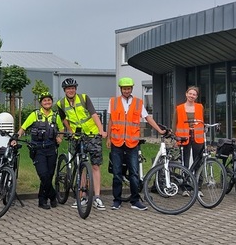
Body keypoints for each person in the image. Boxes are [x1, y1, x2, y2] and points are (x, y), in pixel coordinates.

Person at [108, 77, 166, 211]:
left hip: (132, 143)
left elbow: (147, 118)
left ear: (131, 89)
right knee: (117, 173)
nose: (126, 91)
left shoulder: (138, 103)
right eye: (124, 89)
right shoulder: (113, 101)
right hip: (116, 142)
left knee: (134, 173)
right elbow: (111, 120)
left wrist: (159, 130)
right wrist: (108, 137)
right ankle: (116, 200)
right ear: (121, 89)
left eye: (128, 88)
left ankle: (135, 200)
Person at [55, 78, 107, 210]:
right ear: (65, 91)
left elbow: (94, 115)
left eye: (73, 88)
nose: (70, 90)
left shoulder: (84, 98)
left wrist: (101, 130)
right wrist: (70, 131)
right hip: (76, 137)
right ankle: (82, 196)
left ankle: (97, 197)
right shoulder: (61, 103)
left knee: (95, 166)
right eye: (68, 89)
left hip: (92, 134)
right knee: (79, 165)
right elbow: (63, 119)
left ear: (76, 89)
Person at [16, 91, 65, 210]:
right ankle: (53, 196)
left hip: (51, 150)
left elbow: (62, 129)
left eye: (49, 100)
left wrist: (60, 137)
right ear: (41, 103)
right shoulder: (34, 115)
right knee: (43, 175)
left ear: (51, 102)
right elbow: (23, 128)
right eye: (44, 100)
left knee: (49, 175)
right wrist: (15, 138)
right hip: (38, 150)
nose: (47, 102)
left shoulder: (56, 116)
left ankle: (42, 200)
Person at [175, 86, 205, 169]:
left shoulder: (200, 107)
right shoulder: (179, 108)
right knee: (185, 160)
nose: (192, 96)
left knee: (198, 160)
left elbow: (202, 120)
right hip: (184, 136)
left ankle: (198, 180)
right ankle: (186, 179)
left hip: (197, 137)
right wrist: (174, 137)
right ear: (186, 94)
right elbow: (175, 123)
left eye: (194, 94)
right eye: (190, 93)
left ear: (196, 96)